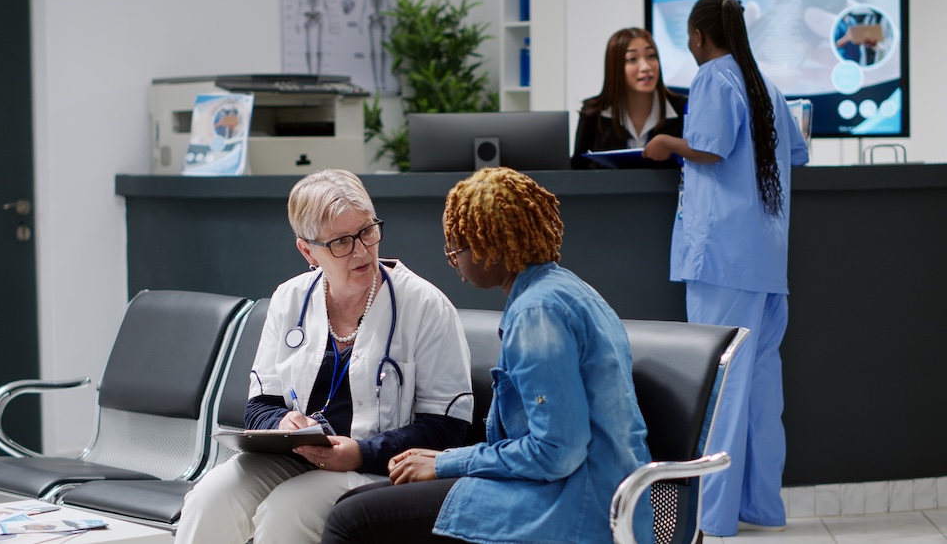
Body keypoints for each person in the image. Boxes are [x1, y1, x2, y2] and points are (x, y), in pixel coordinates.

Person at [321, 167, 655, 544]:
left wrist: (447, 462)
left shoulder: (536, 314)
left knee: (349, 521)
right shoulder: (567, 291)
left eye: (457, 247)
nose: (453, 260)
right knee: (356, 504)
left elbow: (556, 452)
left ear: (491, 246)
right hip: (581, 494)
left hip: (571, 508)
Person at [175, 169, 474, 544]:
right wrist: (283, 423)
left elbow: (447, 429)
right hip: (293, 456)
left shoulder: (425, 307)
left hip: (375, 468)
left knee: (288, 512)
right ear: (307, 250)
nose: (361, 250)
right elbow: (260, 404)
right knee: (209, 498)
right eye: (340, 242)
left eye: (367, 231)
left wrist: (361, 453)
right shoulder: (290, 299)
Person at [642, 0, 810, 538]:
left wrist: (667, 141)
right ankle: (762, 507)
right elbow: (799, 153)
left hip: (722, 260)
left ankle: (712, 516)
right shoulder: (766, 84)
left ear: (696, 37)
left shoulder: (715, 76)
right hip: (766, 260)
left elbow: (711, 148)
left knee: (720, 384)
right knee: (761, 384)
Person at [571, 27, 687, 169]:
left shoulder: (682, 108)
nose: (645, 66)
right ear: (616, 68)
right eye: (633, 59)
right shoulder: (593, 113)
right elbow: (577, 172)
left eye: (651, 56)